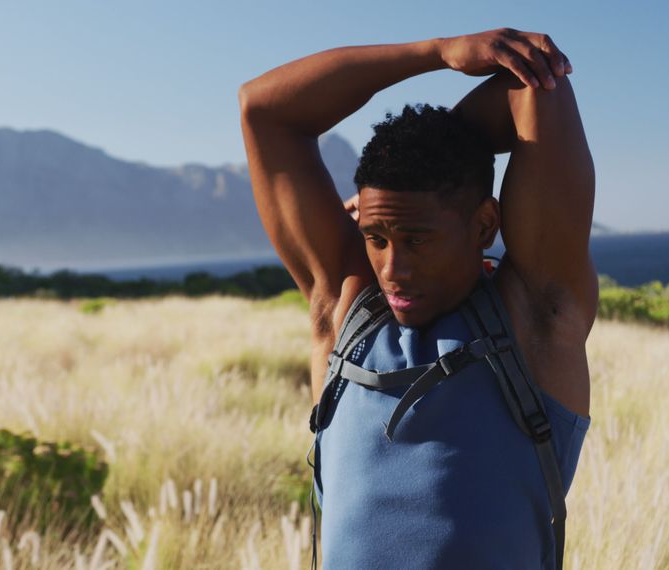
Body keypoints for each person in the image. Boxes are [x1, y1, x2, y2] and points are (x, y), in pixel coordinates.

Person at [238, 28, 596, 569]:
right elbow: (263, 109)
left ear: (483, 224)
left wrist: (437, 145)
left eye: (418, 240)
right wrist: (434, 53)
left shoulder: (537, 320)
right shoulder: (344, 314)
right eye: (376, 239)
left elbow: (535, 88)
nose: (392, 270)